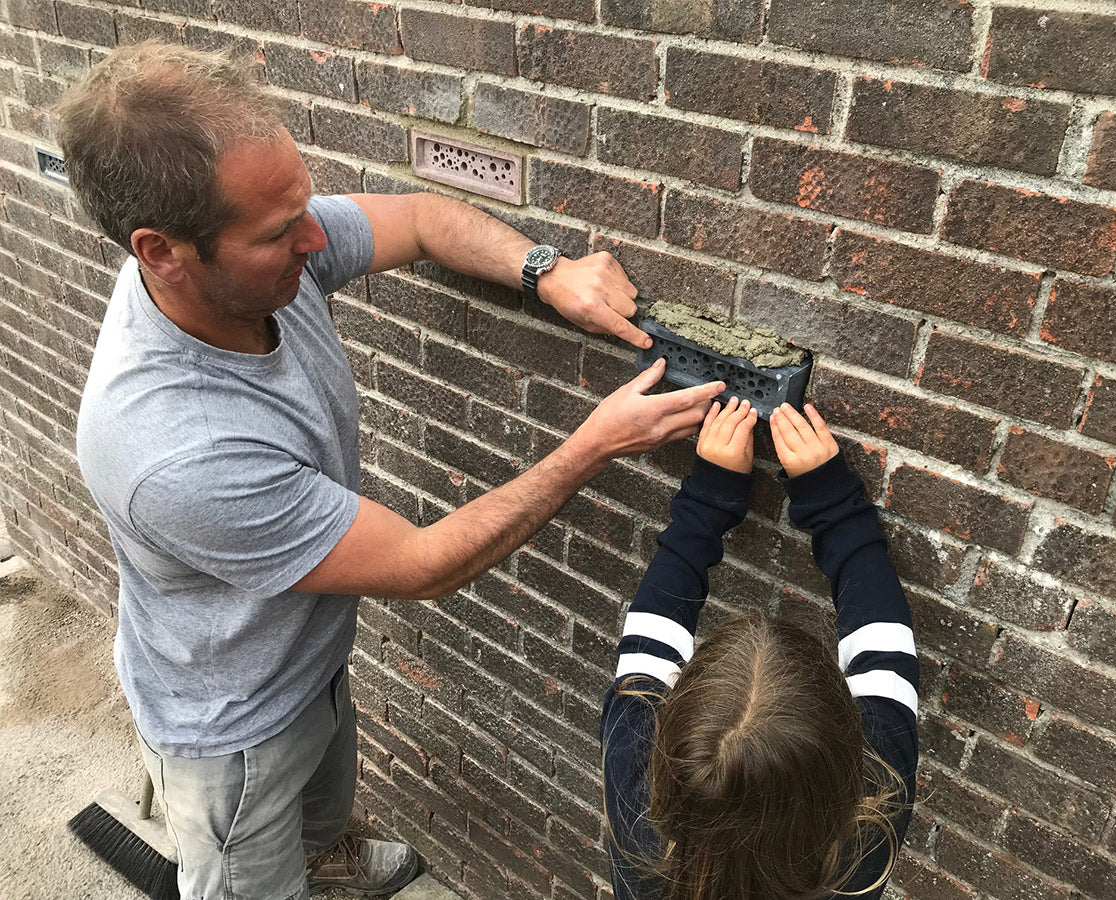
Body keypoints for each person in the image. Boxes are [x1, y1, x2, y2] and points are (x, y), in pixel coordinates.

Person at [56, 41, 724, 900]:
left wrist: (547, 272)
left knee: (323, 817)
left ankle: (322, 859)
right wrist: (594, 443)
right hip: (234, 726)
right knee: (245, 873)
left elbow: (414, 219)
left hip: (304, 655)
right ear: (162, 252)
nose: (313, 237)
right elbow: (420, 565)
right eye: (277, 231)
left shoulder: (253, 260)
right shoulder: (173, 451)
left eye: (303, 204)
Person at [601, 399, 918, 900]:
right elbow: (884, 646)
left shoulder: (639, 827)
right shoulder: (863, 841)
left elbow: (648, 645)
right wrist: (832, 504)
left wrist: (709, 498)